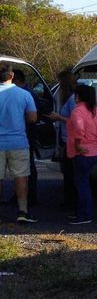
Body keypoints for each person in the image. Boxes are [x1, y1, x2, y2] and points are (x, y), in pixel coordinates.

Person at [0, 63, 38, 223]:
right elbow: (32, 118)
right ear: (12, 75)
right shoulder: (24, 94)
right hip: (18, 142)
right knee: (21, 177)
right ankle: (23, 211)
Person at [66, 84, 97, 225]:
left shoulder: (78, 111)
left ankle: (84, 215)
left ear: (79, 96)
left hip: (82, 152)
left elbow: (79, 130)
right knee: (84, 183)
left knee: (81, 184)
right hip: (95, 150)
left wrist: (77, 145)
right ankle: (81, 212)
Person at [48, 70, 78, 214]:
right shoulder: (66, 97)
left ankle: (72, 202)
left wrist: (58, 117)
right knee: (68, 172)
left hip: (71, 140)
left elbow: (76, 121)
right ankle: (70, 200)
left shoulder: (72, 100)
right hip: (66, 138)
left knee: (70, 172)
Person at [11, 69, 39, 206]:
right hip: (24, 135)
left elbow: (32, 117)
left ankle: (29, 196)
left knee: (26, 169)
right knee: (23, 169)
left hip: (25, 134)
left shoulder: (27, 94)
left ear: (15, 80)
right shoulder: (27, 94)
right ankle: (22, 199)